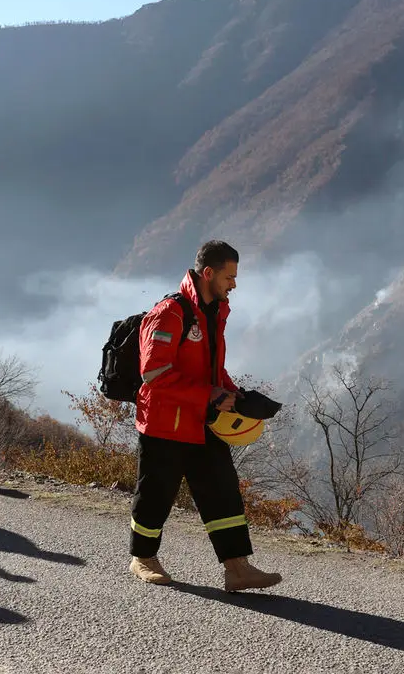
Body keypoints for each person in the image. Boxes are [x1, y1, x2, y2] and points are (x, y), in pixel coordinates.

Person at [128, 240, 283, 592]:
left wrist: (235, 395)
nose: (234, 284)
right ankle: (143, 558)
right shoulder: (169, 313)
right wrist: (210, 395)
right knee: (155, 494)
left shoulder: (214, 312)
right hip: (164, 425)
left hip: (202, 422)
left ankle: (237, 569)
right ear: (208, 273)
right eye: (230, 277)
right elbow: (154, 373)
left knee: (223, 491)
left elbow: (212, 369)